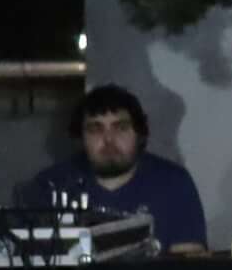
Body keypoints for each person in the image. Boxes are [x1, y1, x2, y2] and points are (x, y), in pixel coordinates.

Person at [23, 84, 210, 253]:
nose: (108, 139)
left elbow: (188, 265)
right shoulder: (50, 185)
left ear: (140, 134)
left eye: (120, 128)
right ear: (80, 137)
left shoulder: (173, 183)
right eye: (96, 129)